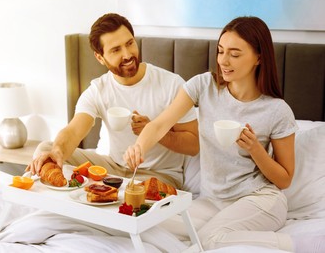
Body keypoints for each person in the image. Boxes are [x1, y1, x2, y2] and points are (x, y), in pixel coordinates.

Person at [124, 16, 303, 251]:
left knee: (207, 240)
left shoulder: (277, 110)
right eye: (220, 51)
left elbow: (285, 179)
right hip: (211, 201)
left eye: (235, 54)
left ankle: (286, 244)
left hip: (260, 199)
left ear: (259, 57)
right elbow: (160, 124)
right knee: (147, 222)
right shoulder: (203, 86)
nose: (223, 61)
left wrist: (255, 149)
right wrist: (140, 147)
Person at [26, 13, 199, 188]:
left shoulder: (171, 84)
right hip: (111, 168)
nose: (127, 55)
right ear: (100, 57)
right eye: (116, 50)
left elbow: (194, 144)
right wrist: (57, 152)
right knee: (45, 150)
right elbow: (74, 130)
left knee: (134, 195)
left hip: (158, 175)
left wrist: (157, 133)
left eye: (130, 43)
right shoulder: (98, 90)